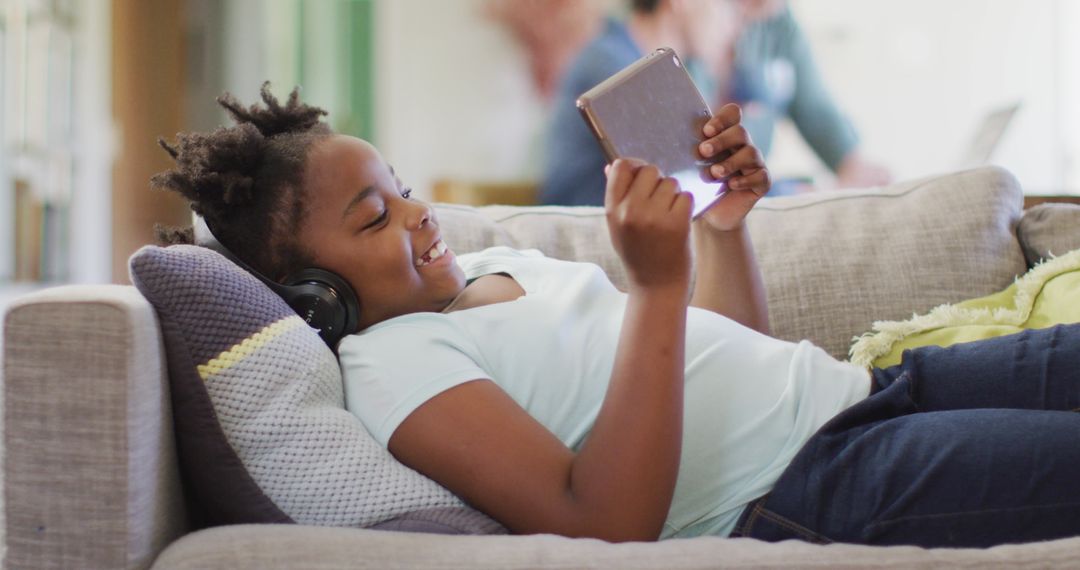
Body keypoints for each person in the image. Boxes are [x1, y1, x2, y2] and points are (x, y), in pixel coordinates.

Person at [152, 84, 1080, 546]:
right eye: (373, 219)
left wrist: (720, 230)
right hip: (808, 482)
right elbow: (606, 522)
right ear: (315, 294)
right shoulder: (395, 365)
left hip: (866, 390)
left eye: (399, 188)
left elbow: (726, 352)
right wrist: (659, 289)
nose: (418, 213)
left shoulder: (496, 268)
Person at [540, 0, 889, 207]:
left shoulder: (665, 67)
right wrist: (806, 191)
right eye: (727, 7)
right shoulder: (616, 68)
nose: (736, 26)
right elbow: (698, 188)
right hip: (590, 238)